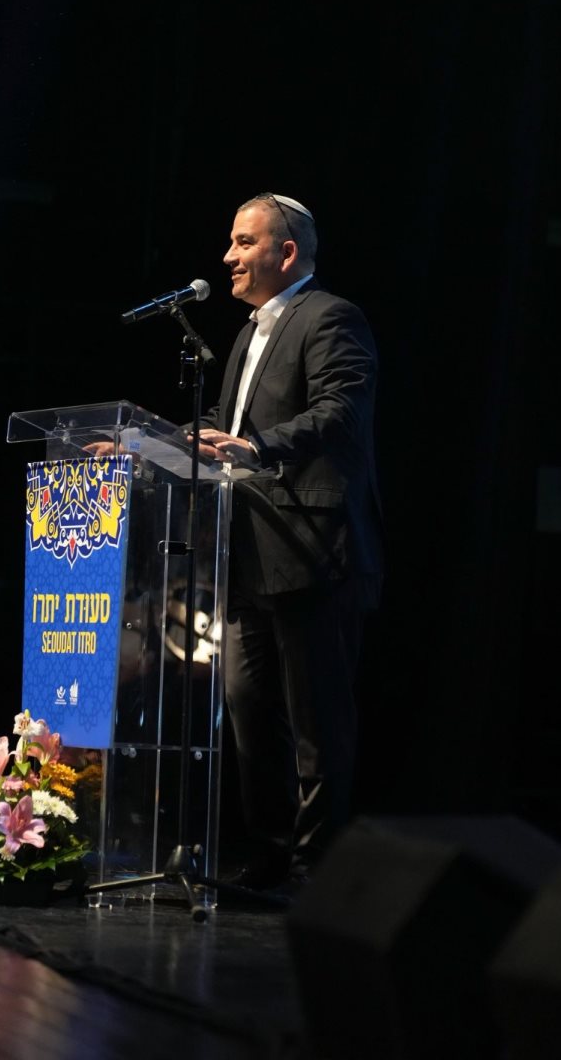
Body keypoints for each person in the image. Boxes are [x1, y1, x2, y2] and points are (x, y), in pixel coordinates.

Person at [191, 191, 384, 894]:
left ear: (287, 251)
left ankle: (314, 874)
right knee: (248, 712)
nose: (229, 257)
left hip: (310, 548)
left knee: (316, 726)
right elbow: (227, 425)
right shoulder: (249, 333)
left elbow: (340, 412)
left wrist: (259, 447)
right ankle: (270, 858)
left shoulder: (330, 317)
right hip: (248, 549)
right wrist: (151, 441)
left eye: (244, 243)